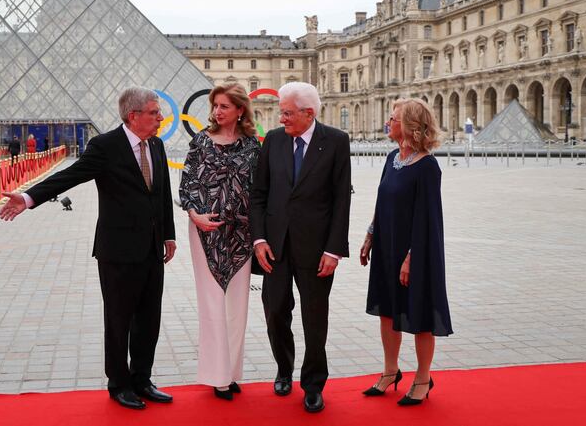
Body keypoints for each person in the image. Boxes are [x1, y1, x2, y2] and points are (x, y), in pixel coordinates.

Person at [0, 87, 176, 411]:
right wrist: (27, 198)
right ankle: (119, 384)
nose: (160, 117)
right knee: (119, 319)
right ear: (133, 115)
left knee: (149, 319)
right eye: (154, 112)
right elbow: (71, 175)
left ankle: (142, 379)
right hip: (118, 250)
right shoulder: (105, 146)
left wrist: (169, 235)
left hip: (152, 249)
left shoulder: (157, 145)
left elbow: (161, 195)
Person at [250, 81, 351, 413]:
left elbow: (341, 200)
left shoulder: (336, 142)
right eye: (281, 112)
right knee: (275, 311)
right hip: (275, 246)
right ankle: (283, 368)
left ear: (309, 113)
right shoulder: (274, 141)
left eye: (288, 113)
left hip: (317, 248)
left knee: (314, 317)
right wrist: (259, 239)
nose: (282, 119)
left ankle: (313, 383)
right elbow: (259, 194)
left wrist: (334, 250)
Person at [360, 98, 453, 406]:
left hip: (416, 250)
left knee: (419, 313)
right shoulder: (391, 158)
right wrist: (370, 235)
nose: (389, 122)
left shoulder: (427, 166)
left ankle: (423, 378)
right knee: (388, 310)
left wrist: (411, 258)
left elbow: (427, 217)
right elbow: (382, 201)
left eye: (394, 119)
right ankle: (390, 371)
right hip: (387, 245)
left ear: (410, 126)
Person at [179, 83, 261, 401]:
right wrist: (194, 215)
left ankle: (231, 371)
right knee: (212, 302)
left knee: (238, 305)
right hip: (206, 231)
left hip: (242, 235)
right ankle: (217, 376)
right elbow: (186, 184)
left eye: (224, 106)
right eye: (215, 106)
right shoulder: (200, 141)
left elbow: (260, 192)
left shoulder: (253, 147)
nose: (217, 111)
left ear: (240, 110)